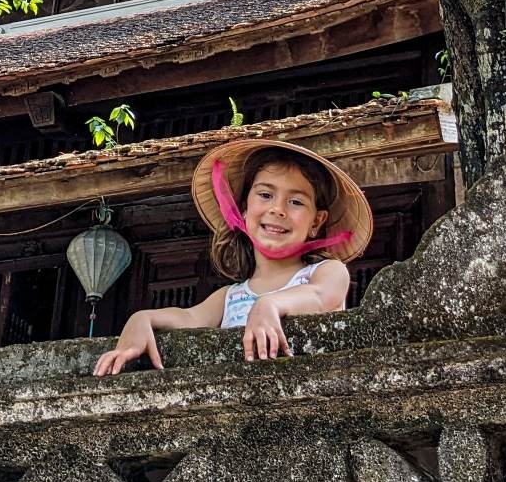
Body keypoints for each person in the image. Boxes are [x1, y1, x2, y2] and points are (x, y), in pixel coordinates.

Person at [92, 136, 373, 374]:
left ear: (316, 222)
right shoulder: (229, 297)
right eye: (265, 195)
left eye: (296, 201)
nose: (278, 209)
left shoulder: (326, 272)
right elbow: (189, 318)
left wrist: (269, 305)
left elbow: (322, 297)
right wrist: (142, 319)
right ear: (244, 209)